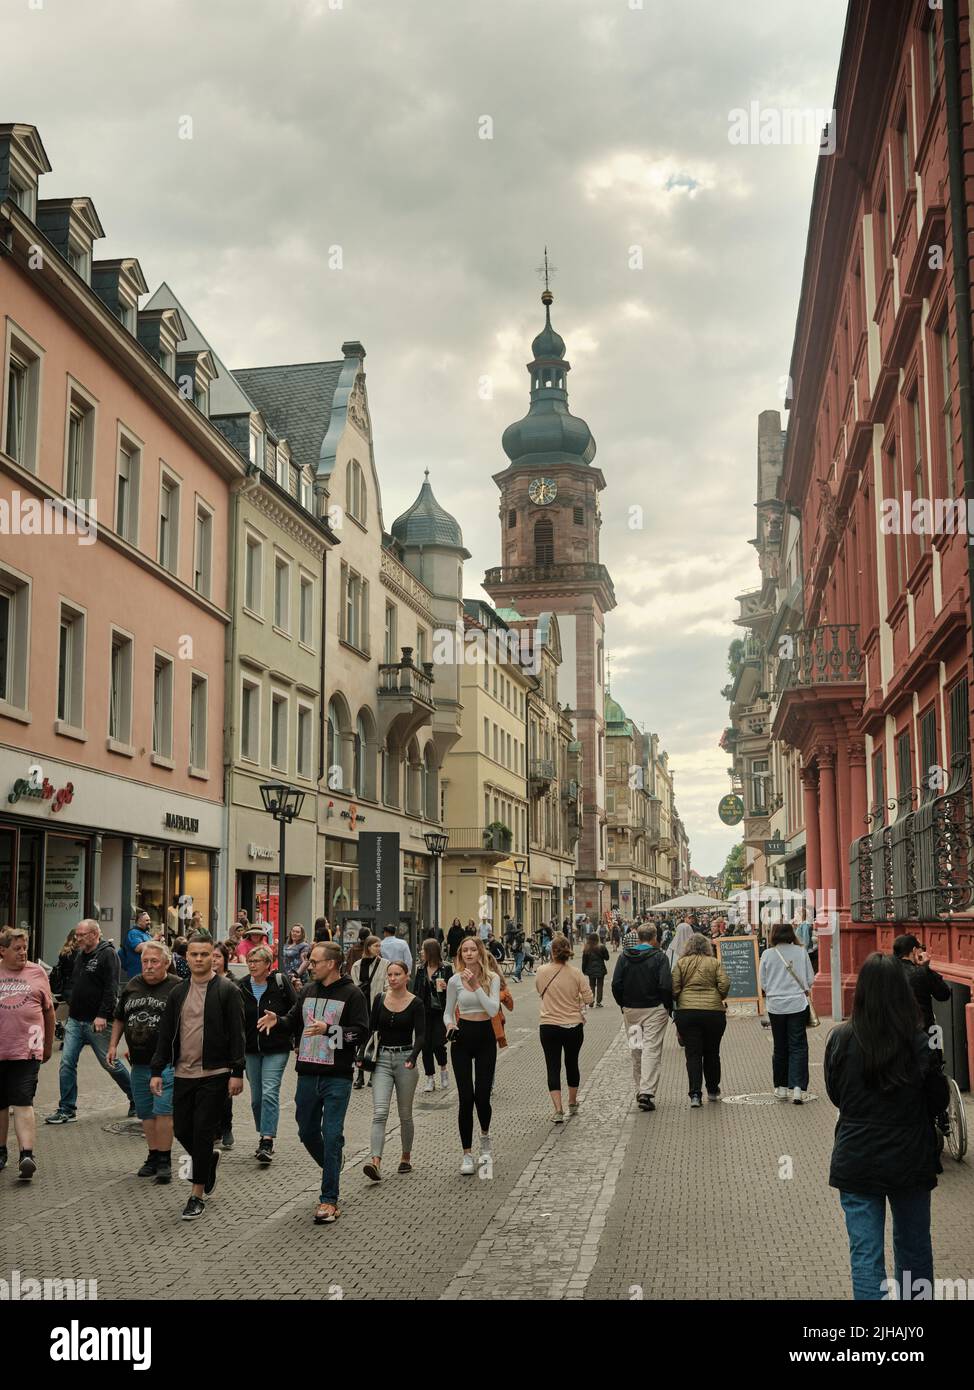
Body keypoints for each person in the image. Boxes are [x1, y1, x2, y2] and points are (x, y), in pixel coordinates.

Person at [825, 952, 949, 1301]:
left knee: (866, 1256)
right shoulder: (919, 1041)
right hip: (910, 1156)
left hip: (857, 1156)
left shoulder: (840, 1038)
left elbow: (837, 1095)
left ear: (861, 992)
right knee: (914, 1249)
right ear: (902, 991)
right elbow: (937, 1101)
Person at [258, 941, 370, 1224]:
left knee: (332, 1136)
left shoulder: (352, 994)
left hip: (337, 1077)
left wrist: (330, 1030)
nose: (310, 966)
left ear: (331, 964)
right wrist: (278, 1020)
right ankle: (332, 1164)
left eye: (315, 961)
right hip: (307, 1074)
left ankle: (328, 1200)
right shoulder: (307, 991)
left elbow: (361, 1033)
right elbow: (294, 1019)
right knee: (307, 1133)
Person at [150, 933, 245, 1221]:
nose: (200, 959)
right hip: (182, 1072)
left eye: (205, 954)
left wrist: (236, 1072)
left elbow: (237, 1034)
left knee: (203, 1131)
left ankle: (196, 1194)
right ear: (186, 958)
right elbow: (166, 1033)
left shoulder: (227, 990)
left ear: (213, 957)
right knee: (181, 1130)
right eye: (194, 955)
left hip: (214, 1073)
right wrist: (157, 1070)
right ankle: (208, 1160)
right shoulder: (178, 992)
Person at [45, 919, 134, 1124]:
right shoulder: (80, 955)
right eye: (77, 935)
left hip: (97, 1022)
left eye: (81, 935)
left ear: (94, 934)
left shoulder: (108, 954)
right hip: (76, 1020)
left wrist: (103, 1014)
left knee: (110, 1064)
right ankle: (67, 1108)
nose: (77, 939)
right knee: (67, 1062)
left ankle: (135, 1098)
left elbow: (111, 988)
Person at [108, 939, 180, 1183]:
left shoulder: (178, 987)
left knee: (163, 1112)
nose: (148, 966)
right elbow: (119, 1017)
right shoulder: (132, 985)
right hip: (138, 1062)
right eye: (145, 962)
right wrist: (113, 1045)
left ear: (166, 963)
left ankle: (165, 1161)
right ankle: (152, 1155)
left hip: (167, 1062)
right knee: (146, 1113)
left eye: (154, 962)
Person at [360, 960, 425, 1180]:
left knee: (405, 1114)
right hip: (382, 1060)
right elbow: (370, 1029)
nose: (393, 978)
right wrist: (361, 1054)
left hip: (405, 1059)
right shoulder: (379, 999)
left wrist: (413, 1057)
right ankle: (375, 1162)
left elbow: (422, 1035)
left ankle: (405, 1157)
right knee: (379, 1113)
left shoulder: (416, 1003)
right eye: (390, 974)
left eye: (398, 974)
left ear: (407, 977)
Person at [0, 926, 55, 1180]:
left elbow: (49, 1011)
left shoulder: (37, 972)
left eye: (25, 948)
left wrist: (47, 1045)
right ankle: (1, 1152)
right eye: (17, 949)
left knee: (22, 1100)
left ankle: (27, 1155)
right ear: (3, 951)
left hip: (27, 1048)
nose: (23, 953)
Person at [444, 937, 501, 1174]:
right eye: (464, 950)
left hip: (485, 1037)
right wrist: (449, 1026)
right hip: (463, 1037)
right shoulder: (454, 980)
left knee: (482, 1095)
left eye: (472, 950)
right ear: (460, 954)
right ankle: (467, 1154)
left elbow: (492, 1009)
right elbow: (447, 1013)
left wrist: (477, 984)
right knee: (466, 1098)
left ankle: (485, 1140)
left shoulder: (492, 978)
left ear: (480, 952)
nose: (468, 954)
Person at [237, 945, 296, 1164]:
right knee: (256, 1098)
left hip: (276, 1048)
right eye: (250, 961)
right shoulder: (241, 986)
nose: (252, 965)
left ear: (268, 965)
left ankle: (267, 1140)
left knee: (270, 1092)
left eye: (257, 961)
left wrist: (284, 1026)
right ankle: (264, 1130)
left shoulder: (279, 984)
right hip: (251, 1049)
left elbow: (296, 1009)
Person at [611, 924, 672, 1112]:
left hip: (631, 1010)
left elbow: (616, 984)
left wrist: (623, 1004)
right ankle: (646, 1091)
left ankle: (640, 1088)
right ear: (654, 937)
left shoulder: (624, 957)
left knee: (637, 1048)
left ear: (638, 938)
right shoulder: (660, 957)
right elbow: (665, 985)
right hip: (654, 1010)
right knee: (651, 1048)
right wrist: (667, 1006)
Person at [536, 933, 593, 1122]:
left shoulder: (542, 970)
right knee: (572, 1063)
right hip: (573, 1026)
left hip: (549, 1025)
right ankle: (573, 1102)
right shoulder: (576, 973)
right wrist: (576, 999)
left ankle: (558, 1110)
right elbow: (589, 999)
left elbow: (539, 991)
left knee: (552, 1066)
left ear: (552, 951)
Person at [671, 933, 730, 1107]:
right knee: (712, 1052)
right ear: (706, 947)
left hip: (687, 1013)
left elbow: (674, 987)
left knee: (693, 1054)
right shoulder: (714, 962)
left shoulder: (681, 963)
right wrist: (718, 996)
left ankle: (695, 1094)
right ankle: (712, 1090)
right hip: (713, 1013)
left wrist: (681, 997)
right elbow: (725, 984)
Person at [758, 921, 815, 1103]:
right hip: (797, 1004)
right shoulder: (801, 952)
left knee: (780, 1046)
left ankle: (781, 1088)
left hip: (776, 1005)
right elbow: (810, 979)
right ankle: (798, 1088)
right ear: (792, 934)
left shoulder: (767, 954)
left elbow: (763, 983)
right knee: (798, 1045)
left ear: (773, 935)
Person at [892, 934, 951, 1034]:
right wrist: (926, 968)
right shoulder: (921, 972)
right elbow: (944, 994)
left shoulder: (886, 970)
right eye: (922, 948)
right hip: (922, 1032)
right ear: (915, 950)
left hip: (894, 1032)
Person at [414, 938, 452, 1093]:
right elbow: (415, 990)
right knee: (425, 1046)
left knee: (438, 1043)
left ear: (431, 951)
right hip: (423, 1013)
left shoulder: (446, 968)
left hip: (440, 1012)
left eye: (423, 949)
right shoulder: (421, 969)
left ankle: (443, 1069)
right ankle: (430, 1078)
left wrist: (447, 986)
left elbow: (455, 990)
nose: (421, 952)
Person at [210, 940, 236, 1148]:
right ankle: (214, 1128)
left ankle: (225, 1126)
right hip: (204, 1044)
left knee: (225, 1090)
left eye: (217, 956)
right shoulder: (199, 981)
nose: (213, 960)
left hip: (226, 1044)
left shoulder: (233, 983)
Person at [118, 909, 153, 982]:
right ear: (139, 922)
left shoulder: (146, 934)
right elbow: (138, 948)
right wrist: (154, 941)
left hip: (145, 971)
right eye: (147, 920)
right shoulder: (133, 933)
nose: (149, 922)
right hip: (136, 972)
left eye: (149, 920)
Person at [580, 932, 609, 1006]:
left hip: (590, 969)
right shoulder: (601, 947)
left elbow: (584, 961)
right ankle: (599, 1001)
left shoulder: (586, 948)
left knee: (591, 985)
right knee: (600, 985)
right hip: (600, 969)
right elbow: (607, 958)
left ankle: (591, 1001)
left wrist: (583, 970)